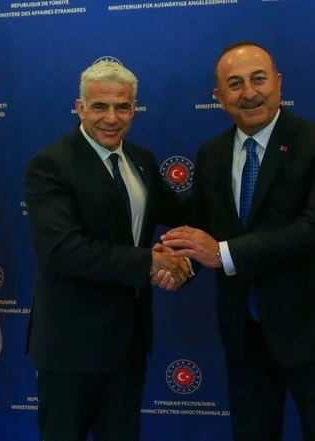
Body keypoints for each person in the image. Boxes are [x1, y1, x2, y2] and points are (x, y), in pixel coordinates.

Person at [161, 42, 315, 441]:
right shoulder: (212, 154)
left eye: (258, 79)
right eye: (234, 84)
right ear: (219, 97)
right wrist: (178, 261)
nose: (249, 93)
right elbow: (204, 231)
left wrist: (220, 253)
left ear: (279, 83)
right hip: (245, 337)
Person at [24, 60, 190, 441]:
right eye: (100, 107)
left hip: (128, 343)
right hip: (70, 346)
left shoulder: (142, 161)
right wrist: (151, 261)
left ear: (134, 108)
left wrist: (189, 255)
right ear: (80, 108)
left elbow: (184, 218)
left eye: (122, 107)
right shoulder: (51, 165)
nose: (112, 118)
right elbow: (64, 249)